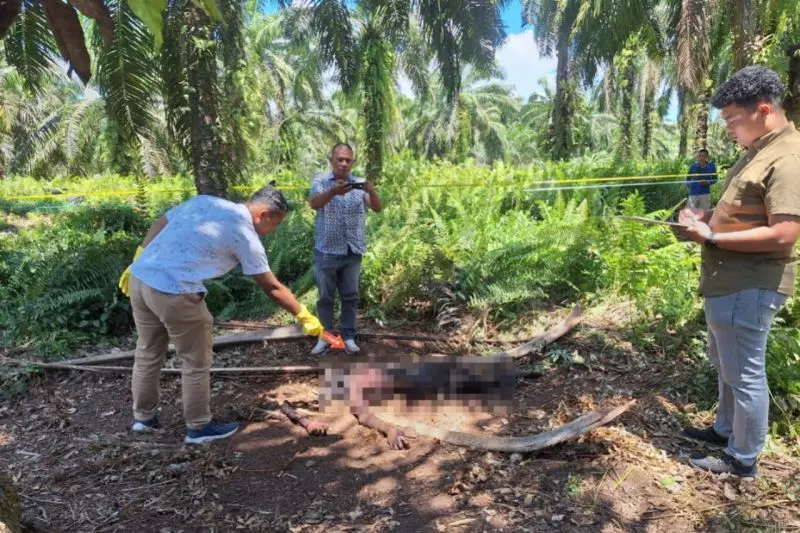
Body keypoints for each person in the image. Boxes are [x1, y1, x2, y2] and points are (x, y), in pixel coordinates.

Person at [117, 186, 324, 444]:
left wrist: (140, 256)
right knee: (195, 360)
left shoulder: (206, 201)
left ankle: (143, 420)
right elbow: (271, 287)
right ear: (263, 214)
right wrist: (304, 315)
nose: (276, 229)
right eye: (277, 223)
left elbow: (162, 221)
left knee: (148, 351)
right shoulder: (245, 236)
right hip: (175, 289)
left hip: (140, 277)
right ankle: (199, 427)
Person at [678, 66, 800, 477]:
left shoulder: (787, 158)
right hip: (729, 281)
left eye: (732, 119)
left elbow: (784, 233)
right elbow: (741, 211)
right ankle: (725, 429)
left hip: (750, 284)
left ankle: (743, 457)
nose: (727, 128)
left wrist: (711, 238)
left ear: (762, 110)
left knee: (745, 372)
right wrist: (704, 217)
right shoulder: (758, 151)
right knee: (726, 361)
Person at [307, 143, 382, 355]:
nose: (343, 163)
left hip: (353, 250)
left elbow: (376, 208)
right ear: (331, 160)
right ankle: (327, 338)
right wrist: (332, 192)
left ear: (353, 162)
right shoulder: (320, 181)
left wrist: (371, 189)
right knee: (325, 297)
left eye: (348, 160)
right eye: (339, 159)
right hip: (327, 250)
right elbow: (313, 203)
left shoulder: (359, 183)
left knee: (350, 296)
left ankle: (348, 336)